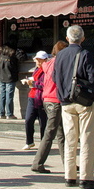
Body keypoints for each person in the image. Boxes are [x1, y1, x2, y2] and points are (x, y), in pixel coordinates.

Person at [53, 25, 94, 189]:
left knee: (70, 140)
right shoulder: (86, 54)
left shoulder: (59, 55)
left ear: (67, 38)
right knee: (87, 138)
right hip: (84, 102)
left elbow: (55, 77)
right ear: (83, 38)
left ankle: (70, 176)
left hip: (65, 103)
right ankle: (86, 178)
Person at [31, 40, 68, 174]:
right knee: (50, 133)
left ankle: (68, 163)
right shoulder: (60, 63)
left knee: (62, 134)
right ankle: (37, 163)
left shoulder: (49, 63)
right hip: (55, 100)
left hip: (47, 99)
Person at [21, 51, 49, 150]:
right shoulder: (37, 69)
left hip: (42, 98)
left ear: (45, 60)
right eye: (37, 60)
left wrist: (32, 83)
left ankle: (43, 143)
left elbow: (44, 84)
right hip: (32, 96)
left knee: (43, 122)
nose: (38, 62)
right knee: (28, 119)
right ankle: (29, 141)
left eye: (40, 60)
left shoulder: (47, 70)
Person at [0, 42, 25, 119]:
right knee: (9, 96)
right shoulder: (14, 53)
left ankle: (1, 113)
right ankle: (9, 114)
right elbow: (22, 58)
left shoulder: (2, 52)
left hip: (1, 75)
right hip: (10, 76)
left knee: (2, 95)